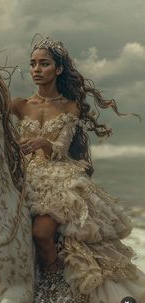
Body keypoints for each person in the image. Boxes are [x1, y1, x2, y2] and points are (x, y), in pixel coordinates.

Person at [10, 37, 145, 303]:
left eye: (44, 64)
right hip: (23, 176)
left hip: (57, 179)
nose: (36, 69)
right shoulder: (19, 104)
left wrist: (44, 143)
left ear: (58, 69)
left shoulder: (69, 106)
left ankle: (53, 289)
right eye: (33, 64)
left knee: (42, 232)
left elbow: (61, 147)